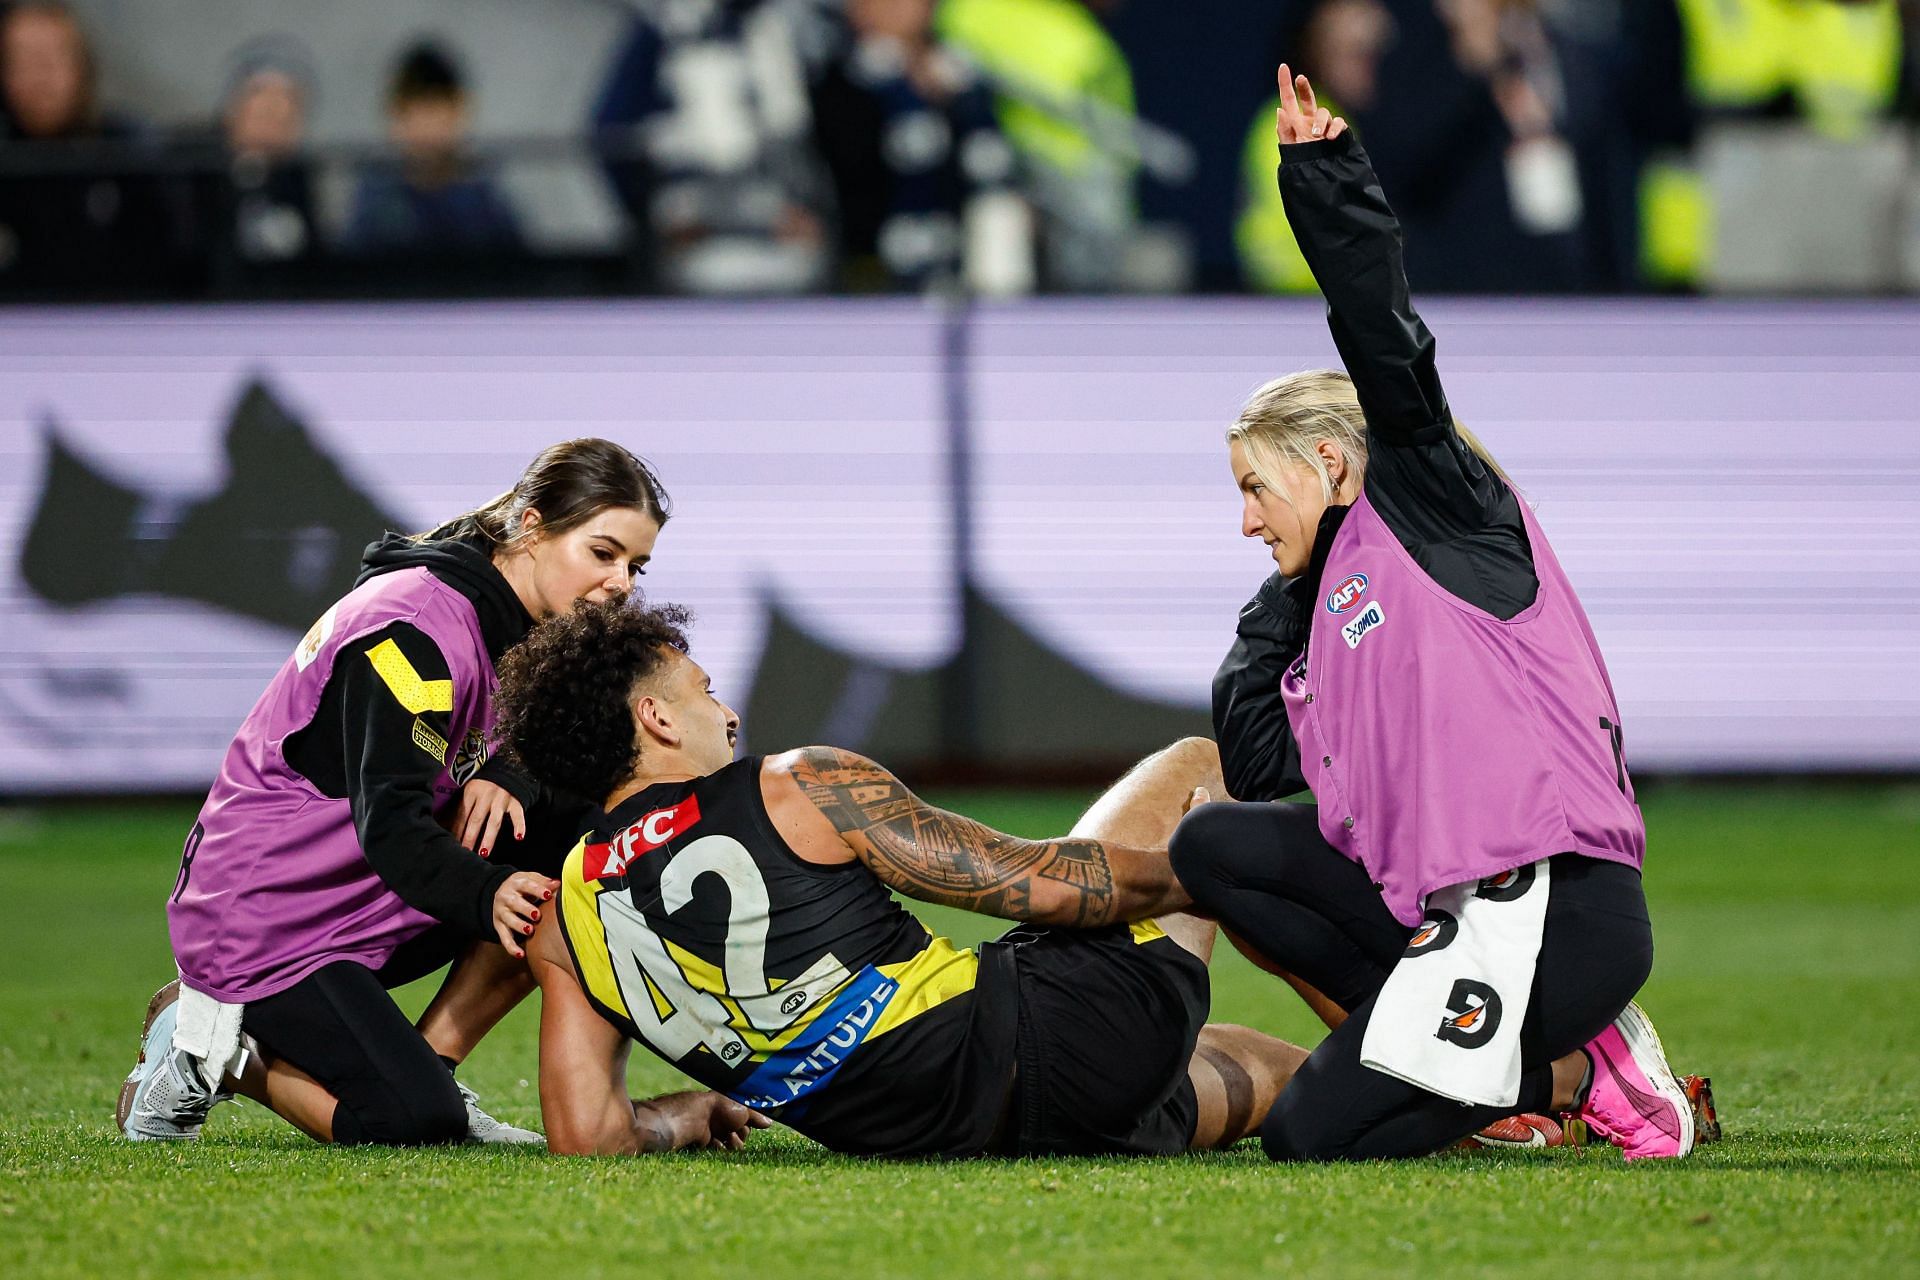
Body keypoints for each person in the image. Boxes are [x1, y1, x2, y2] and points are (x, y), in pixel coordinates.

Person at [1167, 66, 1707, 1163]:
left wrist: (1324, 177)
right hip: (1449, 920)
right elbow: (1258, 755)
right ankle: (1541, 1067)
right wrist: (1285, 589)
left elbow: (1384, 333)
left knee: (1313, 1136)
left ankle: (1576, 1050)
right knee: (1217, 842)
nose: (1244, 520)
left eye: (1254, 489)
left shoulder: (1435, 503)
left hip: (1557, 914)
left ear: (1330, 460)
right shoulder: (1325, 603)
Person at [492, 598, 1307, 1159]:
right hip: (1073, 1038)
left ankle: (1411, 1085)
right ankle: (1416, 1024)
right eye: (706, 691)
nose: (729, 713)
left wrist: (682, 1113)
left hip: (957, 1131)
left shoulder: (564, 920)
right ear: (657, 718)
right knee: (1199, 768)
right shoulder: (799, 784)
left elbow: (586, 1135)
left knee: (1271, 1075)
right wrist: (1206, 871)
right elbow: (1048, 885)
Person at [117, 438, 712, 1150]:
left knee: (585, 837)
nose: (620, 582)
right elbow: (392, 824)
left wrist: (512, 772)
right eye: (603, 552)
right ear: (530, 526)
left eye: (635, 565)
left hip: (363, 890)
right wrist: (489, 891)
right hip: (268, 919)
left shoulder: (523, 622)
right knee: (410, 1123)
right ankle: (210, 1042)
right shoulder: (417, 631)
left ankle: (431, 1063)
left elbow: (576, 760)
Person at [340, 41, 523, 258]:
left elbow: (521, 276)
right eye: (416, 112)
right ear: (396, 119)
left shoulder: (485, 198)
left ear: (459, 114)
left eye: (436, 111)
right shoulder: (376, 197)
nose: (427, 127)